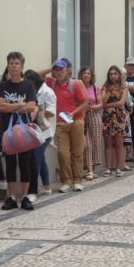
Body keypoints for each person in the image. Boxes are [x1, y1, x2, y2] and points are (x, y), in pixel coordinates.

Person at [0, 52, 37, 210]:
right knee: (10, 164)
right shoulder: (3, 86)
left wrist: (10, 106)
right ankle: (11, 197)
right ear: (7, 66)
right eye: (11, 63)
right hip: (8, 130)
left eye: (16, 63)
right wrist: (20, 105)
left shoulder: (28, 85)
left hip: (24, 130)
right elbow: (0, 106)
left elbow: (32, 106)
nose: (13, 66)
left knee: (25, 163)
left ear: (22, 67)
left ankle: (25, 196)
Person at [45, 59, 89, 193]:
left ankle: (78, 181)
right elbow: (36, 75)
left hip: (76, 121)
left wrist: (73, 113)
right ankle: (67, 181)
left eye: (61, 69)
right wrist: (50, 67)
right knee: (62, 153)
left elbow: (84, 103)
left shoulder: (74, 84)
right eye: (56, 70)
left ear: (67, 71)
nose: (59, 72)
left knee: (77, 153)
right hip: (61, 123)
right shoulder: (51, 83)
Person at [26, 70, 56, 196]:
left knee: (35, 160)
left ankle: (31, 191)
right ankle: (47, 186)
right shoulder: (35, 90)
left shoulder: (47, 92)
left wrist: (36, 110)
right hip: (37, 131)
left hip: (45, 132)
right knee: (41, 159)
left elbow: (51, 112)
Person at [101, 66, 129, 177]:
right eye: (111, 74)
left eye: (115, 73)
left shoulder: (124, 86)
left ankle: (118, 167)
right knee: (108, 143)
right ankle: (108, 167)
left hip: (119, 117)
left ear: (119, 75)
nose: (113, 76)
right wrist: (109, 92)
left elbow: (121, 103)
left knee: (118, 143)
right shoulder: (105, 87)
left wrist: (109, 105)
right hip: (108, 118)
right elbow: (102, 102)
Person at [79, 66, 102, 180]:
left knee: (95, 142)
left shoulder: (95, 88)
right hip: (82, 116)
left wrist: (91, 108)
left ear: (91, 76)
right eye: (84, 73)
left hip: (94, 116)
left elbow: (100, 104)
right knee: (86, 144)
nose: (86, 75)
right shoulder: (78, 87)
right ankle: (89, 170)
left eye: (88, 73)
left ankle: (93, 169)